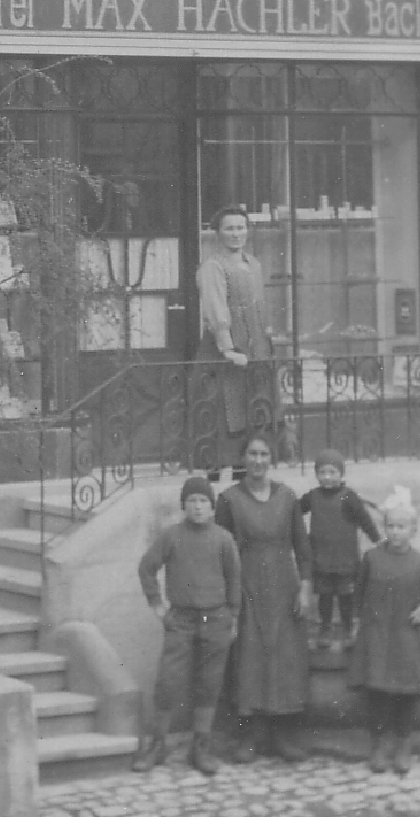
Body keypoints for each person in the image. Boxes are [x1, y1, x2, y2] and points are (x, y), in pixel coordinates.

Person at [132, 475, 241, 776]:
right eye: (192, 501)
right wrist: (158, 606)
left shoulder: (223, 539)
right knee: (168, 681)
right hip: (181, 619)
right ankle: (157, 744)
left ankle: (200, 746)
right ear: (184, 505)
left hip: (215, 619)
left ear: (212, 507)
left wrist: (233, 616)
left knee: (209, 683)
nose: (197, 507)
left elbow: (234, 579)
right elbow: (146, 568)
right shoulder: (172, 536)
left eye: (203, 501)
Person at [215, 433, 312, 764]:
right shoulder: (229, 500)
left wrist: (305, 588)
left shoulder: (287, 497)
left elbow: (302, 546)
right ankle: (249, 737)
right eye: (252, 454)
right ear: (242, 458)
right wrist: (230, 597)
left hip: (284, 589)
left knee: (285, 659)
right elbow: (221, 550)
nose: (258, 460)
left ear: (272, 459)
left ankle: (282, 736)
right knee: (249, 659)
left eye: (264, 454)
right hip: (247, 588)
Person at [346, 487, 420, 776]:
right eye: (390, 526)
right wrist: (356, 625)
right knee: (378, 691)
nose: (395, 532)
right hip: (378, 634)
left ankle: (404, 744)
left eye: (401, 527)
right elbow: (358, 594)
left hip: (408, 636)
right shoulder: (371, 558)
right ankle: (379, 745)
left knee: (406, 692)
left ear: (413, 530)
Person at [193, 206, 274, 473]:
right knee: (224, 414)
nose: (236, 233)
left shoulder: (253, 264)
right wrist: (228, 349)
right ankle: (214, 480)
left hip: (253, 351)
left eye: (241, 227)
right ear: (218, 233)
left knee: (251, 413)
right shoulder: (213, 267)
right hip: (225, 353)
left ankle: (245, 476)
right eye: (229, 228)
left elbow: (257, 306)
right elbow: (216, 309)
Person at [299, 448, 381, 652]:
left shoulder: (349, 497)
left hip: (345, 559)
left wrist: (378, 540)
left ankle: (347, 629)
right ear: (316, 474)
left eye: (332, 472)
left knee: (346, 596)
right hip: (321, 558)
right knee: (325, 596)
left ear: (341, 474)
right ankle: (325, 629)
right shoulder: (312, 497)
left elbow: (365, 520)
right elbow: (294, 511)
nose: (327, 477)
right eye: (322, 472)